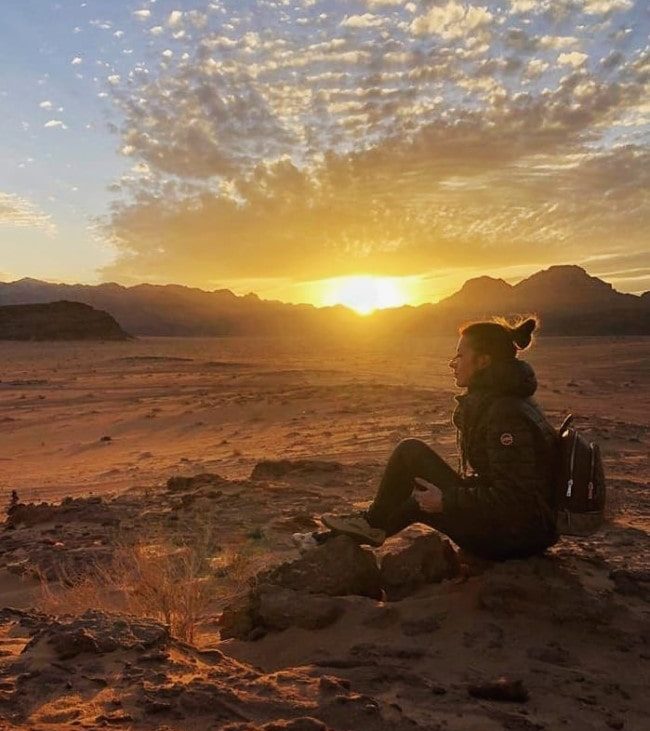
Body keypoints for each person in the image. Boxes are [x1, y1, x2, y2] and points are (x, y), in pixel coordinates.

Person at [292, 316, 560, 561]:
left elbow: (514, 497)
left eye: (460, 355)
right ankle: (340, 537)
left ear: (483, 361)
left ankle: (367, 525)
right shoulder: (503, 401)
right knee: (415, 500)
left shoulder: (505, 413)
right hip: (521, 530)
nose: (453, 363)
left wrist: (447, 500)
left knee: (411, 453)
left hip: (514, 538)